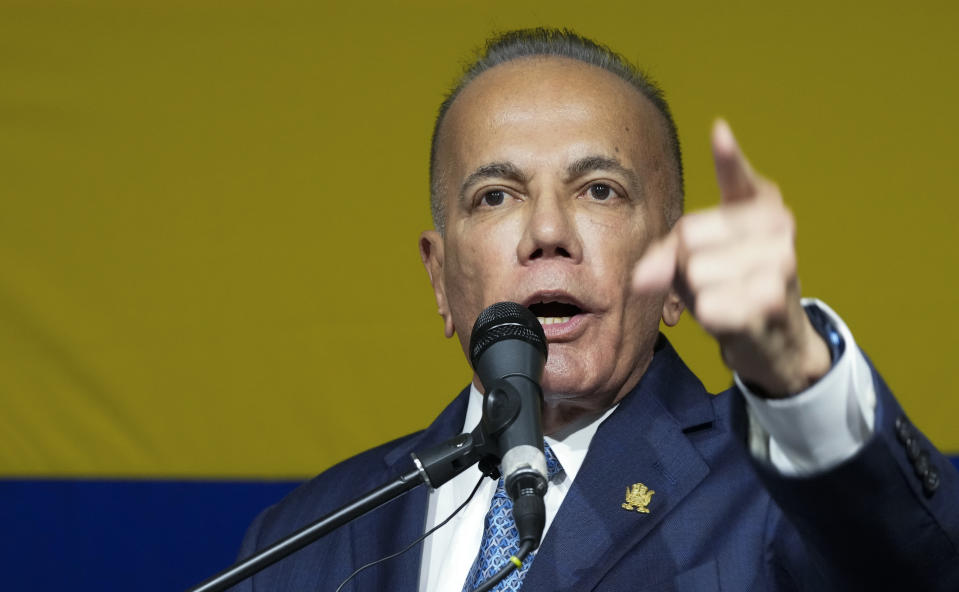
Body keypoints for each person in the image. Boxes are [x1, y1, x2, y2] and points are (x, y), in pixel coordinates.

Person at [230, 29, 959, 590]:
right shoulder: (302, 538)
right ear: (439, 277)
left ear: (673, 272)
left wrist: (797, 372)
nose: (548, 232)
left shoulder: (781, 501)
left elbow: (921, 568)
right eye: (495, 196)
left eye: (599, 190)